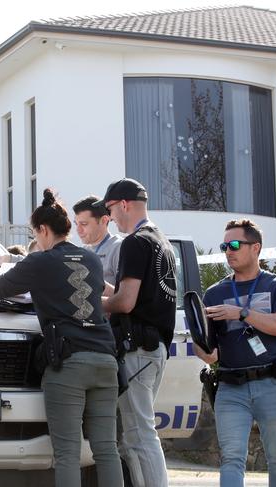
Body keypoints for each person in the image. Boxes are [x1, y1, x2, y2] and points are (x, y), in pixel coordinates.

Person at [0, 189, 123, 487]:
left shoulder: (39, 262)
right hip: (105, 359)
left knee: (67, 453)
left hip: (68, 364)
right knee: (107, 449)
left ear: (43, 230)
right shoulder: (92, 260)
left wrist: (0, 265)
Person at [194, 219, 276, 487]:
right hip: (230, 387)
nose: (229, 250)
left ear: (256, 248)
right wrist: (199, 342)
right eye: (225, 245)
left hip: (271, 383)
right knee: (231, 458)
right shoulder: (215, 293)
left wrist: (242, 313)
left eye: (235, 244)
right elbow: (210, 352)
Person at [98, 178, 177, 487]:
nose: (110, 218)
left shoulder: (133, 242)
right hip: (154, 349)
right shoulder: (161, 240)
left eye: (110, 210)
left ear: (124, 205)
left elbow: (126, 301)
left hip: (137, 351)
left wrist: (95, 304)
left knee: (139, 436)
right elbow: (137, 294)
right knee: (138, 434)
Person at [72, 195, 123, 286]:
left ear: (104, 220)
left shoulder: (119, 248)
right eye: (76, 224)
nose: (78, 230)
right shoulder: (83, 251)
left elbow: (127, 296)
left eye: (84, 224)